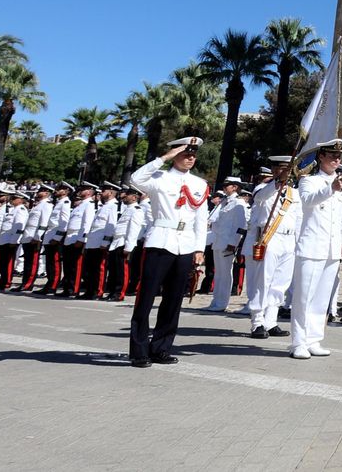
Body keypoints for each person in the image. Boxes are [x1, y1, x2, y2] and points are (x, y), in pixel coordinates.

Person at [128, 137, 211, 368]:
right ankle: (139, 351)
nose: (190, 158)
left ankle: (161, 348)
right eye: (185, 153)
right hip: (160, 241)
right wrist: (163, 158)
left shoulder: (200, 184)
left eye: (193, 154)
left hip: (185, 244)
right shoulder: (158, 178)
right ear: (175, 154)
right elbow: (135, 179)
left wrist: (198, 248)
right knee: (146, 298)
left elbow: (201, 219)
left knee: (174, 300)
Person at [290, 138, 342, 359]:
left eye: (339, 156)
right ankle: (298, 342)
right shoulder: (309, 181)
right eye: (332, 155)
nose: (336, 159)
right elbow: (308, 201)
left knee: (322, 298)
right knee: (304, 297)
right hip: (312, 246)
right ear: (321, 157)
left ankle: (314, 339)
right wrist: (330, 189)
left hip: (332, 248)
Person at [244, 157, 299, 339]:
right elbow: (261, 197)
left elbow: (299, 218)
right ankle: (257, 321)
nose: (285, 173)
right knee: (262, 281)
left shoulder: (294, 193)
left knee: (280, 283)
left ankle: (271, 320)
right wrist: (277, 182)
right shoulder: (264, 188)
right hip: (269, 237)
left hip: (289, 239)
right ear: (275, 170)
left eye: (288, 170)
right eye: (282, 169)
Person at [208, 176, 247, 311]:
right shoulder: (224, 202)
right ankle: (215, 301)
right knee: (218, 273)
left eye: (227, 185)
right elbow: (213, 219)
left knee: (225, 273)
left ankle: (222, 303)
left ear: (235, 187)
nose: (225, 188)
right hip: (218, 241)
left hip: (228, 243)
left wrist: (233, 243)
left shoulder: (238, 203)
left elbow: (241, 226)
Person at [78, 182, 120, 298]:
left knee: (99, 269)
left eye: (104, 191)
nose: (101, 193)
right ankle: (89, 291)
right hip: (93, 241)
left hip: (100, 242)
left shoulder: (113, 206)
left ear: (111, 193)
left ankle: (98, 291)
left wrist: (105, 242)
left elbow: (110, 226)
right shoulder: (104, 206)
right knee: (90, 269)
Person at [57, 183, 96, 297]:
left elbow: (87, 223)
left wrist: (82, 239)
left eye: (83, 189)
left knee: (76, 267)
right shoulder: (80, 205)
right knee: (68, 266)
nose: (80, 191)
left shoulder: (89, 205)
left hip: (77, 238)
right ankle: (67, 288)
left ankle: (74, 288)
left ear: (89, 192)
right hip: (70, 237)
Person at [107, 187, 143, 300]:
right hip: (117, 242)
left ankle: (119, 293)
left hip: (124, 243)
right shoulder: (127, 209)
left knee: (122, 271)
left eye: (126, 195)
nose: (123, 197)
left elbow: (133, 230)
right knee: (114, 270)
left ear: (134, 197)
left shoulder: (137, 210)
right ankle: (113, 291)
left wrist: (129, 247)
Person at [18, 184, 55, 291]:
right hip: (28, 235)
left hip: (34, 237)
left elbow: (44, 222)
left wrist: (38, 236)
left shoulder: (47, 205)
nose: (39, 192)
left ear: (47, 193)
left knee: (32, 263)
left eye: (42, 191)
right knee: (27, 262)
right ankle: (25, 282)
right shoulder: (38, 205)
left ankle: (28, 284)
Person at [38, 183, 72, 293]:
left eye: (59, 189)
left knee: (55, 263)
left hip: (55, 236)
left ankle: (53, 285)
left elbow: (64, 222)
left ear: (66, 191)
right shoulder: (59, 203)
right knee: (49, 263)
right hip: (50, 234)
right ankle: (50, 282)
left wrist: (57, 238)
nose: (56, 190)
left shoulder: (65, 203)